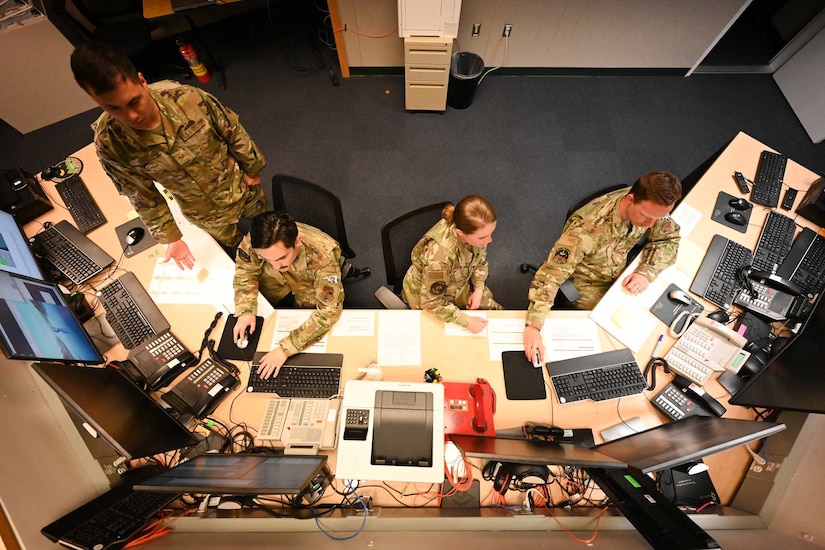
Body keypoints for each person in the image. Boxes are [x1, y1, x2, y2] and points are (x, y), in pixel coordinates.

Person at [70, 42, 267, 269]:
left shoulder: (188, 99)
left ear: (142, 81)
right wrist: (171, 237)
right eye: (114, 108)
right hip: (204, 213)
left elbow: (232, 131)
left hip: (242, 187)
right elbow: (142, 196)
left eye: (134, 101)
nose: (131, 115)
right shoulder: (111, 143)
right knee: (240, 251)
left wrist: (252, 168)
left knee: (267, 228)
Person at [524, 172, 682, 362]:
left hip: (621, 276)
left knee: (659, 320)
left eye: (657, 218)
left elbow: (669, 238)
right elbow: (550, 275)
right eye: (646, 216)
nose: (650, 224)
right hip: (586, 284)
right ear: (630, 199)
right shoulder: (585, 231)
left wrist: (646, 272)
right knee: (613, 345)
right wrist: (533, 326)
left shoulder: (650, 209)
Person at [233, 211, 344, 379]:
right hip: (275, 283)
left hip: (308, 285)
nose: (276, 265)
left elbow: (329, 311)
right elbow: (245, 270)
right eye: (267, 259)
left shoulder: (323, 255)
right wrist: (246, 309)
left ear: (297, 241)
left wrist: (287, 348)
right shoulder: (257, 239)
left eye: (281, 258)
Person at [402, 195, 503, 334]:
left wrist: (479, 288)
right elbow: (431, 303)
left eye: (491, 233)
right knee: (439, 339)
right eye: (483, 237)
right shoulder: (440, 258)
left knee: (498, 314)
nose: (490, 240)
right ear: (460, 233)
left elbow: (480, 261)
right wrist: (466, 322)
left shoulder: (476, 233)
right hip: (427, 296)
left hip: (458, 280)